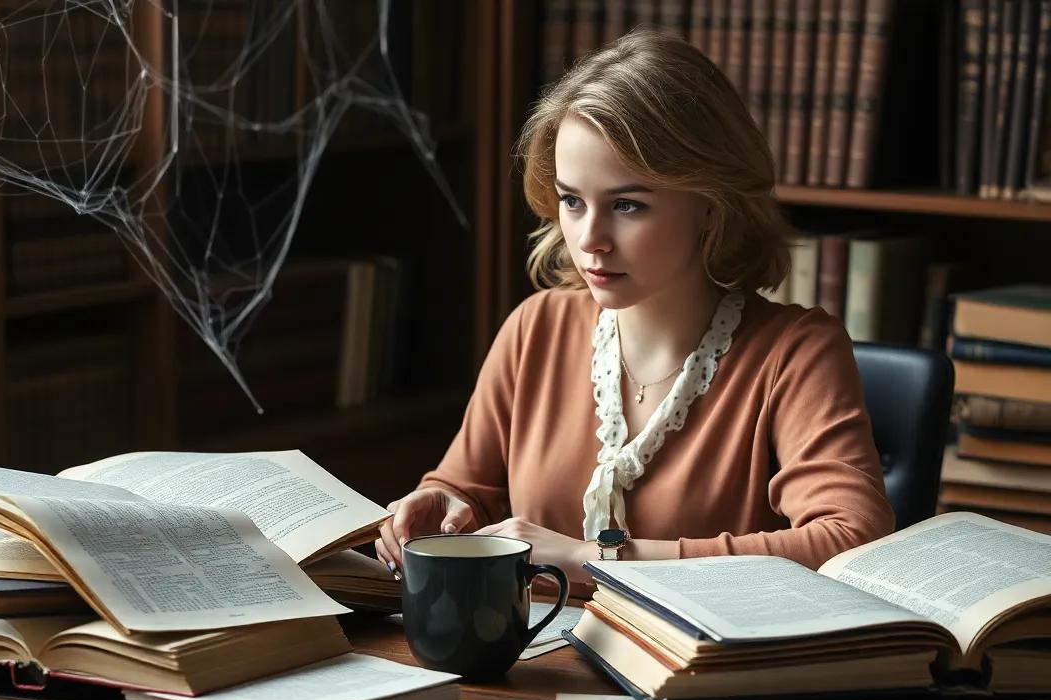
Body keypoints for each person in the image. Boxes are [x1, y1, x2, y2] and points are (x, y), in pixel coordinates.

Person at [375, 30, 893, 590]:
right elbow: (466, 491)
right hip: (534, 666)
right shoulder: (535, 328)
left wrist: (598, 558)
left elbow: (851, 539)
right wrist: (440, 502)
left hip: (704, 672)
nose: (590, 238)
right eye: (573, 201)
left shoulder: (796, 353)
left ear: (711, 207)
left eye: (627, 205)